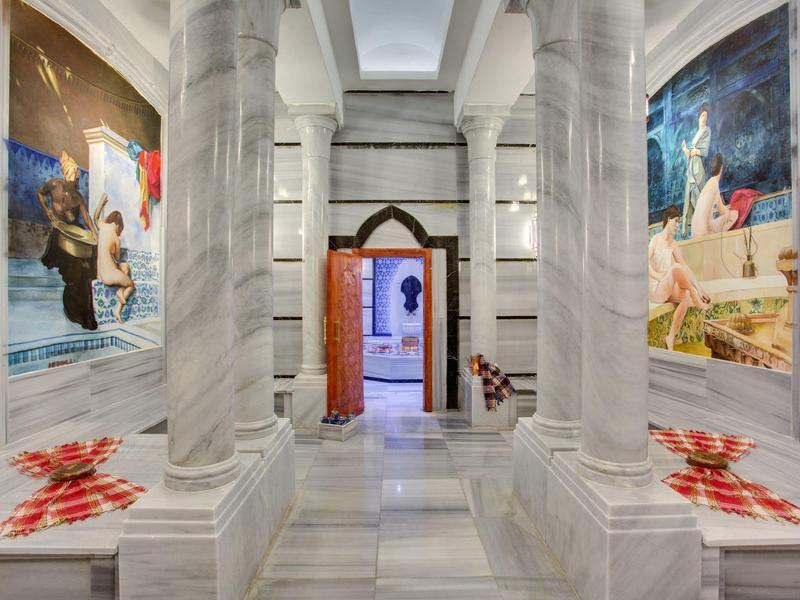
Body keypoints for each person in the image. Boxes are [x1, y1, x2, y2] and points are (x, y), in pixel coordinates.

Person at [37, 151, 98, 330]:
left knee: (88, 264)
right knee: (77, 271)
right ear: (65, 179)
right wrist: (47, 210)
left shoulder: (77, 197)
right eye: (73, 181)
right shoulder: (54, 186)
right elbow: (40, 193)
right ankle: (75, 309)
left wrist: (94, 232)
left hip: (76, 233)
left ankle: (85, 311)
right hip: (61, 235)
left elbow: (86, 219)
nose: (75, 184)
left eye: (77, 181)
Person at [649, 205, 710, 351]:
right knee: (676, 268)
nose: (677, 225)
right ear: (668, 220)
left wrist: (700, 289)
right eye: (676, 221)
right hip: (655, 290)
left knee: (686, 293)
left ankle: (671, 336)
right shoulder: (656, 239)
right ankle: (695, 296)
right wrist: (658, 276)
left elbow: (685, 267)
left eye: (679, 221)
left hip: (666, 287)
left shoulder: (673, 244)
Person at [93, 194, 135, 323]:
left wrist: (101, 202)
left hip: (100, 274)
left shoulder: (103, 227)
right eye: (120, 228)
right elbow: (116, 261)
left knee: (126, 267)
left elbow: (95, 218)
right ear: (118, 224)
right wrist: (122, 271)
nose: (119, 231)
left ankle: (119, 293)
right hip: (110, 275)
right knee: (131, 285)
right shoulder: (116, 239)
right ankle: (119, 304)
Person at [680, 104, 711, 236]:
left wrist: (694, 152)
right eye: (702, 116)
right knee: (689, 195)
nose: (704, 119)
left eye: (706, 117)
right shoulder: (696, 133)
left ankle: (702, 225)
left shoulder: (707, 131)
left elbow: (704, 151)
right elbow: (690, 155)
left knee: (698, 194)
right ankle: (692, 227)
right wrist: (685, 150)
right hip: (691, 167)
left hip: (698, 168)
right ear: (698, 117)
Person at [690, 154, 738, 238]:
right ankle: (715, 238)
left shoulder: (710, 183)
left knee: (728, 215)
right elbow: (721, 210)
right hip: (703, 231)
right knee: (734, 215)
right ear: (722, 167)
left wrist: (726, 208)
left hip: (696, 230)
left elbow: (720, 208)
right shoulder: (714, 184)